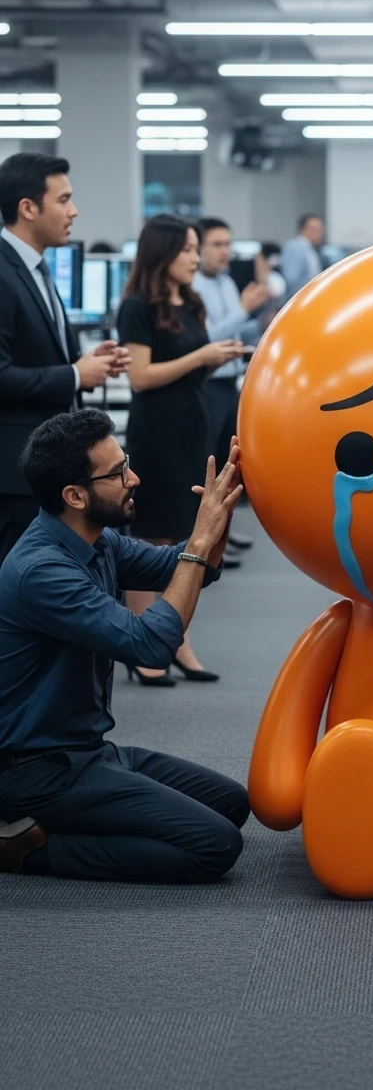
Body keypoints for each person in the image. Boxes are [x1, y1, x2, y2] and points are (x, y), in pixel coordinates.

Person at [0, 409, 250, 879]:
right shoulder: (41, 572)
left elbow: (189, 565)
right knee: (215, 845)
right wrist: (199, 541)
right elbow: (151, 645)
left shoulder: (98, 541)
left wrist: (219, 515)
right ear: (75, 495)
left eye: (125, 462)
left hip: (88, 750)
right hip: (36, 772)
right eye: (117, 473)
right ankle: (28, 851)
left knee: (233, 802)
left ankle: (72, 820)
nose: (133, 478)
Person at [117, 215, 245, 683]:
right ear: (164, 252)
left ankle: (176, 640)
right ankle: (138, 645)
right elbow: (141, 377)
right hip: (156, 432)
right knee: (149, 538)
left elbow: (190, 371)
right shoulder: (137, 306)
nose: (196, 258)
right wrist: (201, 357)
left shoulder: (190, 305)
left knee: (184, 538)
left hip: (191, 426)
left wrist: (214, 360)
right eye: (189, 249)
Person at [0, 152, 129, 564]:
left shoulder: (36, 268)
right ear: (28, 208)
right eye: (63, 200)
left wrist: (86, 363)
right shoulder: (3, 273)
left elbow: (37, 353)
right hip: (16, 472)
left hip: (46, 467)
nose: (73, 212)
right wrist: (74, 374)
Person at [193, 218, 269, 556]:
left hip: (229, 384)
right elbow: (207, 340)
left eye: (228, 245)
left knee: (228, 462)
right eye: (218, 245)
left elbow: (234, 335)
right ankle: (201, 538)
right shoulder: (193, 287)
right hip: (208, 384)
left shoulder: (225, 283)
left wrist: (259, 323)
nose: (226, 252)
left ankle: (222, 530)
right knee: (206, 462)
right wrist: (243, 310)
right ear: (200, 248)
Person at [280, 212, 325, 298]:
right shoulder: (294, 247)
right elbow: (291, 279)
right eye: (314, 229)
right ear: (302, 229)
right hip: (299, 299)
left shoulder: (310, 249)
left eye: (321, 229)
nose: (319, 233)